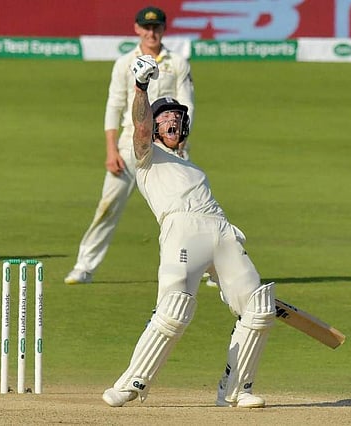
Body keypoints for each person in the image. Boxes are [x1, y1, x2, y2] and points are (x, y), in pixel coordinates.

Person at [101, 55, 275, 409]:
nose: (172, 121)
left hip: (221, 229)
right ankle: (132, 383)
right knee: (174, 309)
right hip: (181, 229)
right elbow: (139, 126)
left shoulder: (192, 166)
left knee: (259, 307)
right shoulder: (147, 156)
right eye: (164, 117)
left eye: (177, 117)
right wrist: (141, 88)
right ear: (154, 127)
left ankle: (236, 390)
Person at [65, 6, 195, 284]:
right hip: (129, 144)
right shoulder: (125, 63)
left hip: (169, 148)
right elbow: (114, 105)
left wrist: (180, 141)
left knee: (186, 210)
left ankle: (202, 267)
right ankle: (84, 266)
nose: (151, 33)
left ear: (164, 29)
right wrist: (111, 149)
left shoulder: (177, 63)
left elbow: (187, 105)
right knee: (108, 205)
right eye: (146, 27)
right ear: (137, 29)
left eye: (156, 27)